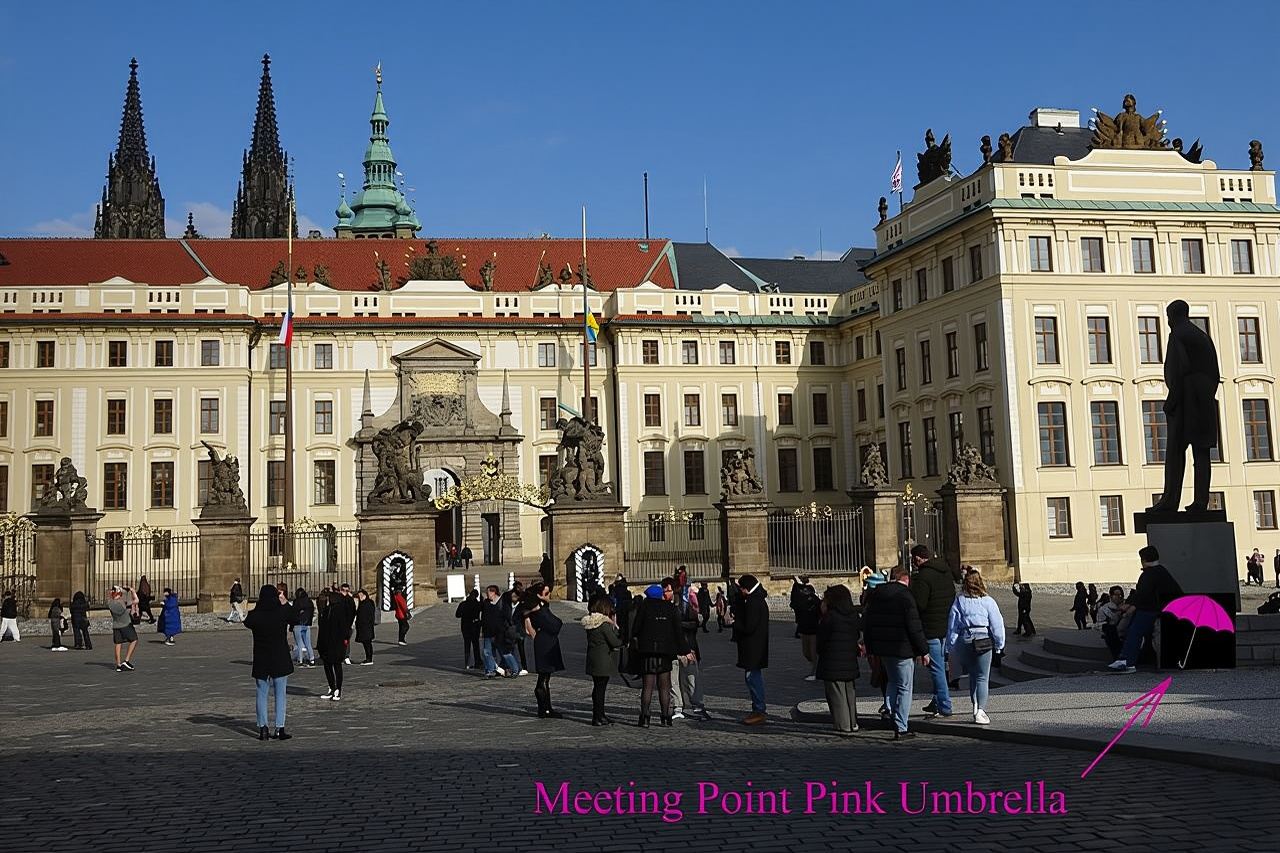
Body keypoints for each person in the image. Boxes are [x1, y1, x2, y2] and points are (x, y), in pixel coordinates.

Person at [863, 565, 930, 740]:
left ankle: (891, 711)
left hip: (883, 649)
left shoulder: (877, 595)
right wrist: (924, 651)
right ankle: (901, 726)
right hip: (902, 649)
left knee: (892, 681)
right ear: (906, 580)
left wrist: (870, 647)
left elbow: (868, 623)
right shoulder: (905, 596)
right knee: (905, 687)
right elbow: (914, 627)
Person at [1109, 546, 1185, 673]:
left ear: (1143, 560)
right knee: (1149, 636)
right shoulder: (1162, 571)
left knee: (1135, 631)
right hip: (1167, 609)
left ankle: (1127, 662)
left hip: (1152, 609)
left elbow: (1142, 594)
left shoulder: (1148, 574)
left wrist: (1129, 607)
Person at [945, 570, 1006, 725]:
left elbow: (953, 626)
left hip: (966, 639)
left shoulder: (959, 601)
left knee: (973, 676)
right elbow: (997, 626)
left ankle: (975, 706)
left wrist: (949, 646)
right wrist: (999, 645)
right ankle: (980, 710)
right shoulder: (988, 601)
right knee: (982, 677)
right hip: (983, 639)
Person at [631, 583, 687, 727]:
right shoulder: (670, 608)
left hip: (647, 652)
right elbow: (678, 632)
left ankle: (645, 717)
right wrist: (684, 650)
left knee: (647, 686)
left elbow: (636, 629)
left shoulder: (644, 607)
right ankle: (666, 717)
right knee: (664, 687)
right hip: (665, 652)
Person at [909, 544, 955, 719]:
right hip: (945, 626)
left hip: (930, 628)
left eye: (914, 559)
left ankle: (945, 705)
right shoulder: (945, 573)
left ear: (918, 558)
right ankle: (937, 702)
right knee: (941, 666)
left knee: (936, 669)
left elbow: (919, 604)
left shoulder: (923, 577)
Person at [244, 584, 295, 740]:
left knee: (261, 693)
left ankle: (263, 728)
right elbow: (295, 617)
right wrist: (284, 602)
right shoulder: (281, 612)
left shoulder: (255, 615)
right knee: (280, 694)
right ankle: (279, 728)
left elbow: (247, 621)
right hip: (279, 657)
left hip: (261, 658)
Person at [815, 584, 861, 736]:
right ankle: (853, 722)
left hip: (832, 660)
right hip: (849, 659)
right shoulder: (853, 614)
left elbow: (821, 640)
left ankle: (843, 725)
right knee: (849, 693)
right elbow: (856, 636)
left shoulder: (830, 617)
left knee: (836, 694)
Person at [522, 582, 564, 718]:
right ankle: (545, 709)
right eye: (546, 593)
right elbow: (555, 625)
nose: (549, 595)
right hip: (544, 644)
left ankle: (546, 707)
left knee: (545, 677)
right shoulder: (538, 608)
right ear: (539, 595)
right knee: (543, 678)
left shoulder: (541, 607)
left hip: (545, 641)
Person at [671, 578, 709, 721]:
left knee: (691, 678)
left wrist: (678, 625)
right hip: (679, 647)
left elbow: (694, 624)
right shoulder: (672, 605)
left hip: (689, 647)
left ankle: (696, 705)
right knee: (676, 680)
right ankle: (678, 706)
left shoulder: (688, 605)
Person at [734, 574, 770, 725]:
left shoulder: (753, 602)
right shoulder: (755, 599)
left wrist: (735, 623)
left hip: (753, 648)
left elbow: (749, 627)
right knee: (753, 677)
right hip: (756, 647)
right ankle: (758, 708)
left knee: (753, 678)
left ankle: (759, 709)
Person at [582, 596, 623, 726]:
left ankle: (599, 714)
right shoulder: (604, 625)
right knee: (600, 690)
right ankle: (598, 716)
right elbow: (615, 642)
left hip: (593, 659)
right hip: (603, 661)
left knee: (597, 688)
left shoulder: (591, 623)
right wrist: (616, 627)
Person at [480, 585, 519, 678]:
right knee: (487, 652)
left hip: (500, 633)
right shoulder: (486, 603)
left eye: (488, 592)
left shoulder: (502, 603)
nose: (487, 594)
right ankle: (490, 670)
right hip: (488, 632)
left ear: (493, 592)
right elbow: (484, 617)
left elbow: (508, 617)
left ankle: (514, 669)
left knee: (505, 652)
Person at [316, 591, 345, 701]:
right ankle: (331, 687)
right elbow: (322, 628)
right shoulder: (326, 610)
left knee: (337, 666)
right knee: (327, 666)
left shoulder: (339, 611)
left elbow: (343, 629)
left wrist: (343, 640)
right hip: (326, 643)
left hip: (336, 643)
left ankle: (338, 689)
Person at [107, 586, 138, 671]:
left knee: (118, 644)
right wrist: (132, 591)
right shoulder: (123, 602)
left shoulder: (110, 603)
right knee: (134, 640)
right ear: (120, 593)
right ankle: (126, 660)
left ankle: (118, 665)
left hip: (116, 625)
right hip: (126, 624)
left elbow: (111, 597)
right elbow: (136, 600)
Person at [795, 582, 821, 680]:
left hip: (814, 630)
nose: (803, 592)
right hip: (804, 629)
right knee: (806, 652)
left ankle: (815, 671)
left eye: (806, 590)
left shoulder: (815, 601)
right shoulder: (801, 601)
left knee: (813, 652)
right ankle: (817, 665)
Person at [502, 583, 530, 675]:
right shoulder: (507, 602)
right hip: (509, 629)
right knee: (509, 649)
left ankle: (523, 667)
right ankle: (509, 667)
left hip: (519, 629)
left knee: (521, 649)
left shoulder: (522, 604)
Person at [1096, 586, 1127, 658]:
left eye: (1120, 595)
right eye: (1116, 595)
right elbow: (1100, 623)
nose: (1119, 597)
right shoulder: (1104, 609)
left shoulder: (1126, 606)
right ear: (1111, 596)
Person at [454, 588, 482, 666]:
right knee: (475, 644)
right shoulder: (477, 604)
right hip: (475, 626)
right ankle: (477, 661)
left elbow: (457, 615)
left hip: (465, 626)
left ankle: (467, 663)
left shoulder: (463, 604)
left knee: (467, 644)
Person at [292, 588, 315, 666]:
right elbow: (312, 613)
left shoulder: (296, 602)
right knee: (308, 643)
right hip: (306, 624)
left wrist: (291, 625)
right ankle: (311, 658)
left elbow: (293, 613)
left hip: (298, 624)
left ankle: (300, 660)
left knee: (299, 643)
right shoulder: (309, 602)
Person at [335, 583, 356, 664]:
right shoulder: (337, 599)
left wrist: (350, 623)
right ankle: (339, 656)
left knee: (346, 641)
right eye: (343, 590)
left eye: (346, 591)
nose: (345, 592)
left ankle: (346, 656)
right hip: (338, 624)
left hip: (348, 624)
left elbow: (353, 611)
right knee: (338, 641)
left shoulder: (350, 600)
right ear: (340, 590)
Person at [354, 589, 376, 665]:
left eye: (361, 595)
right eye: (359, 596)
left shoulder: (366, 604)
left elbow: (364, 616)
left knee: (367, 643)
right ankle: (369, 658)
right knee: (367, 643)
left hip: (365, 626)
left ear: (365, 595)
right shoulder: (365, 603)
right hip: (366, 627)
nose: (359, 597)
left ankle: (369, 659)